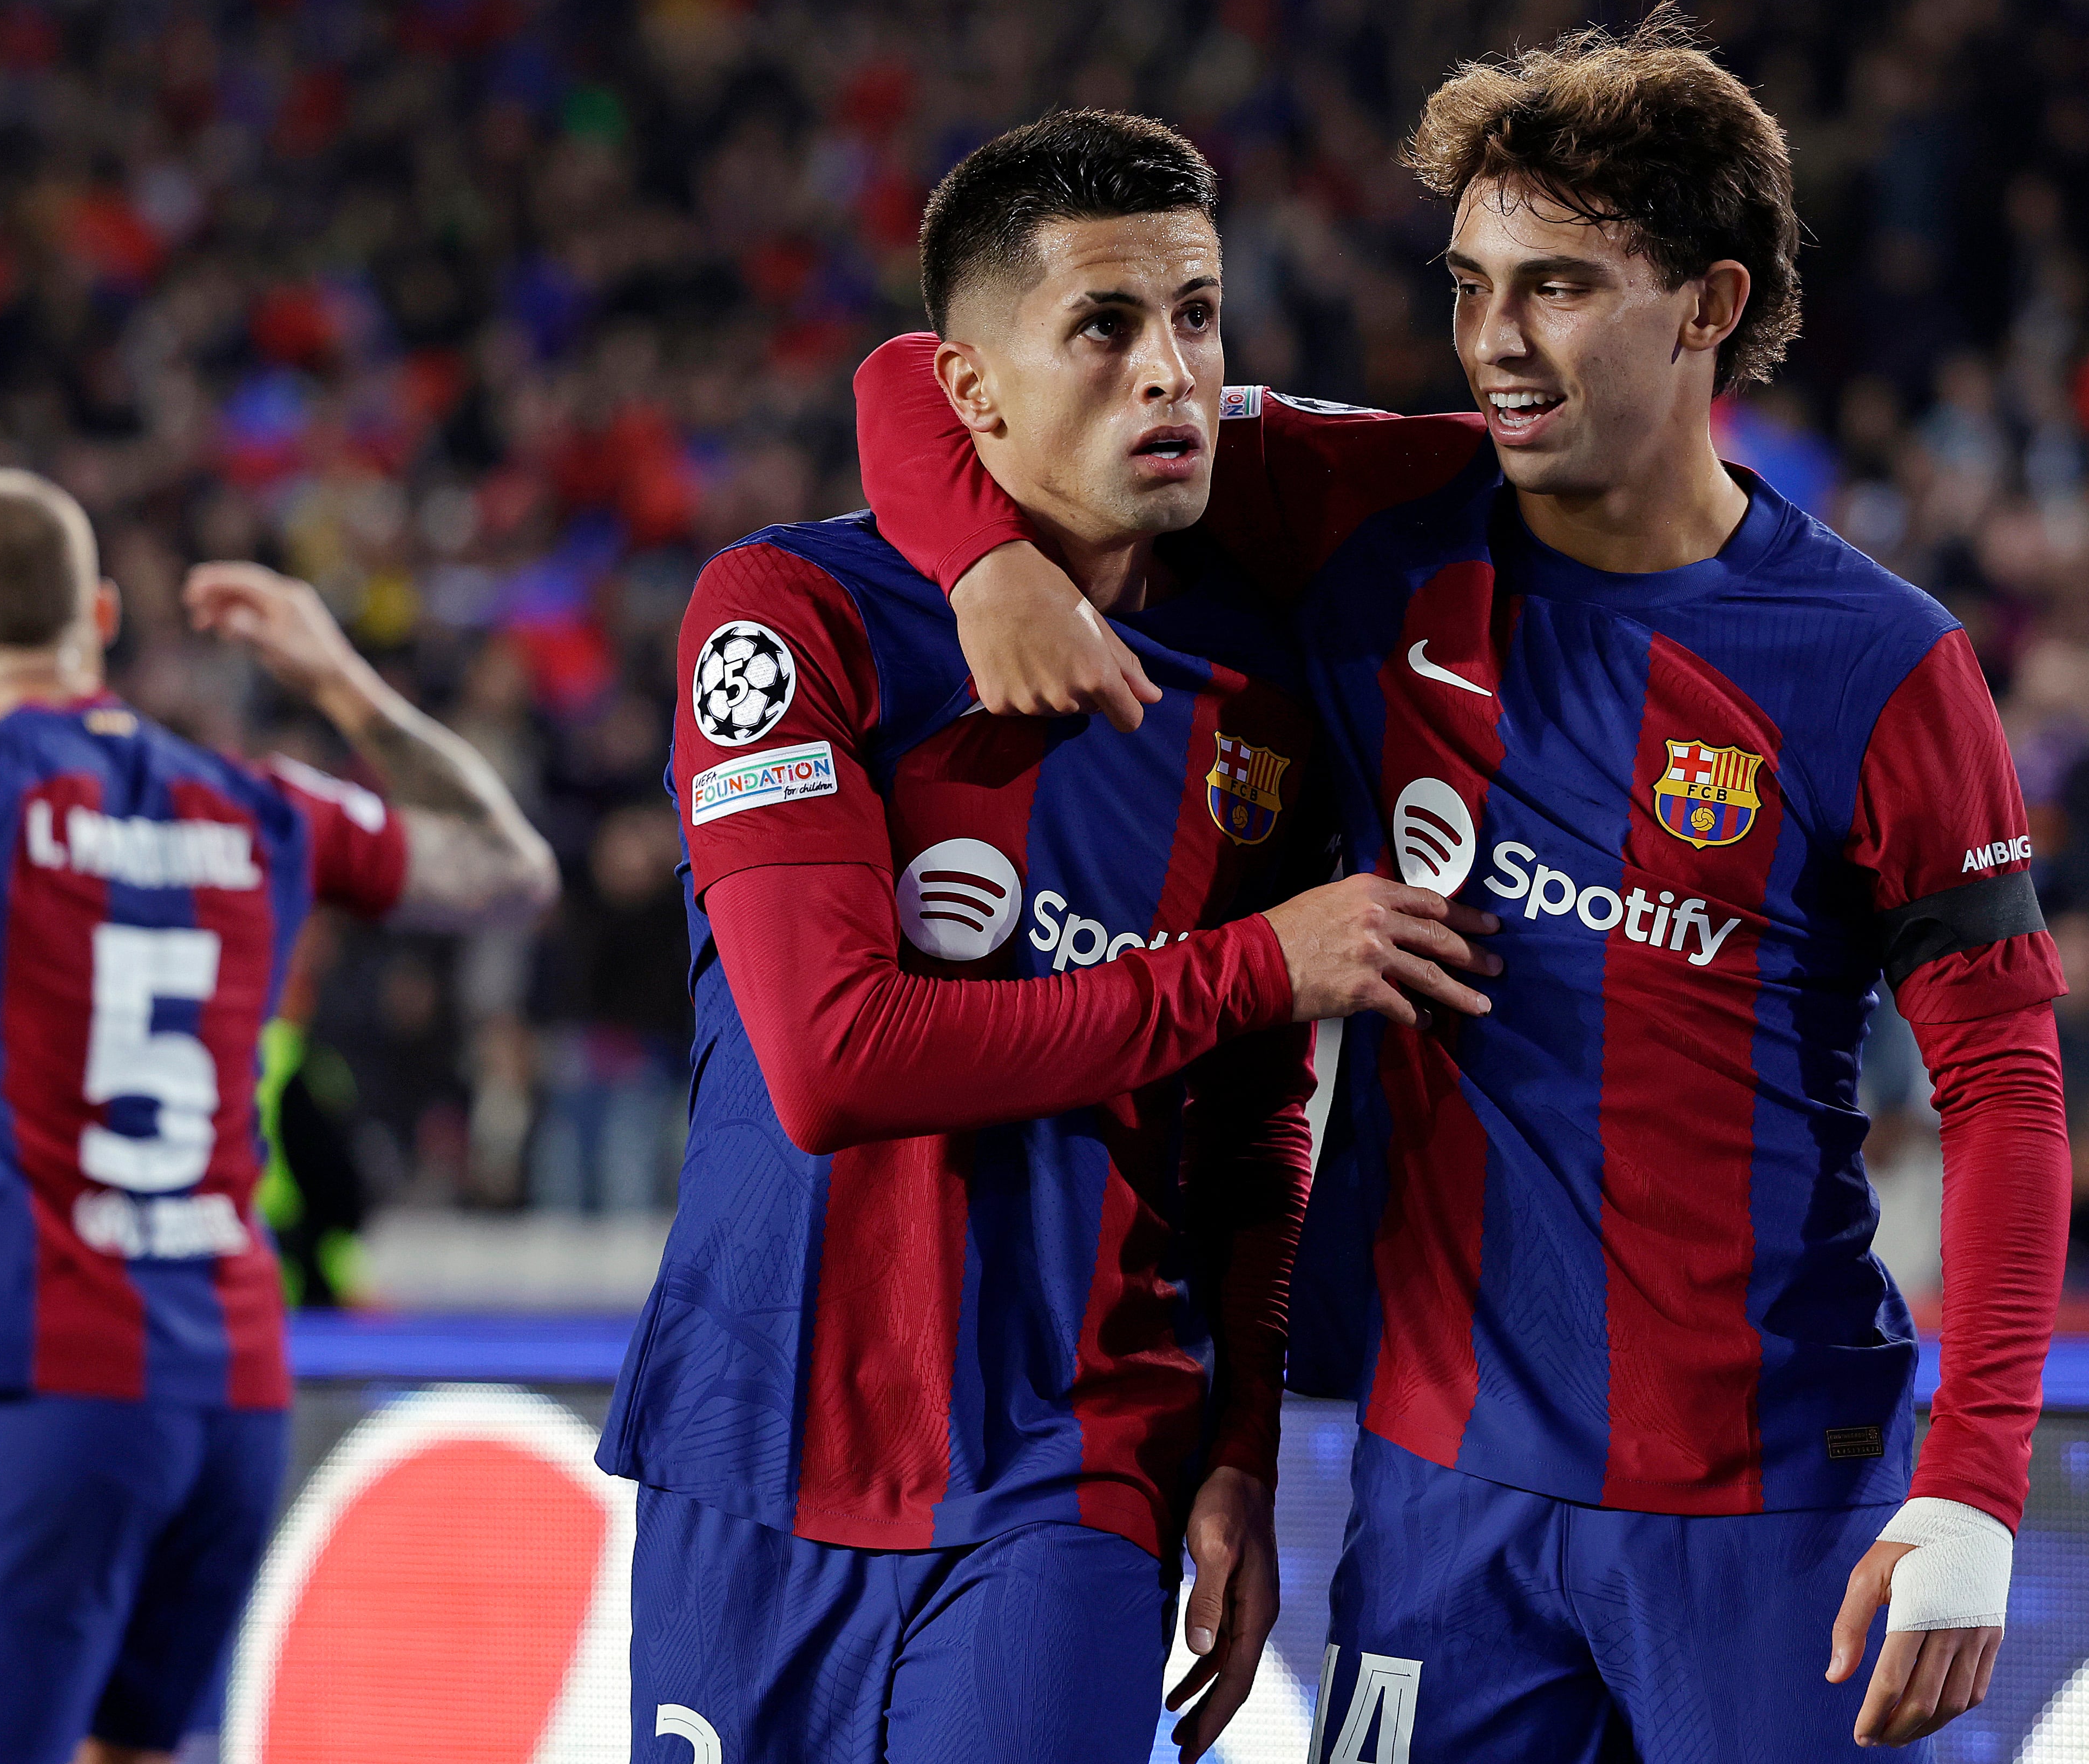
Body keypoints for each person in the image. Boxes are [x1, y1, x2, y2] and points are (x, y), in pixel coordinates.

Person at [851, 11, 2072, 1759]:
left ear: (1709, 306)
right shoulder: (1378, 510)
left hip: (1766, 1505)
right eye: (1468, 284)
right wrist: (980, 562)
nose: (1492, 343)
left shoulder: (1879, 665)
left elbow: (2007, 1091)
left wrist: (1974, 1483)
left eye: (1556, 287)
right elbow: (917, 373)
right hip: (1441, 1507)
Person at [596, 111, 1501, 1764]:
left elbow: (1250, 1129)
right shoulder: (787, 616)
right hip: (756, 1436)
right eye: (1106, 326)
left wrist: (1235, 1443)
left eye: (1200, 316)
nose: (1172, 373)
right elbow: (832, 1061)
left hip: (1072, 1456)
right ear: (969, 393)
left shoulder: (1260, 699)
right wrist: (1252, 964)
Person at [0, 468, 557, 1764]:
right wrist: (340, 676)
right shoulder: (257, 801)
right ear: (105, 615)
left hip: (42, 1382)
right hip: (232, 1394)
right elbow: (512, 870)